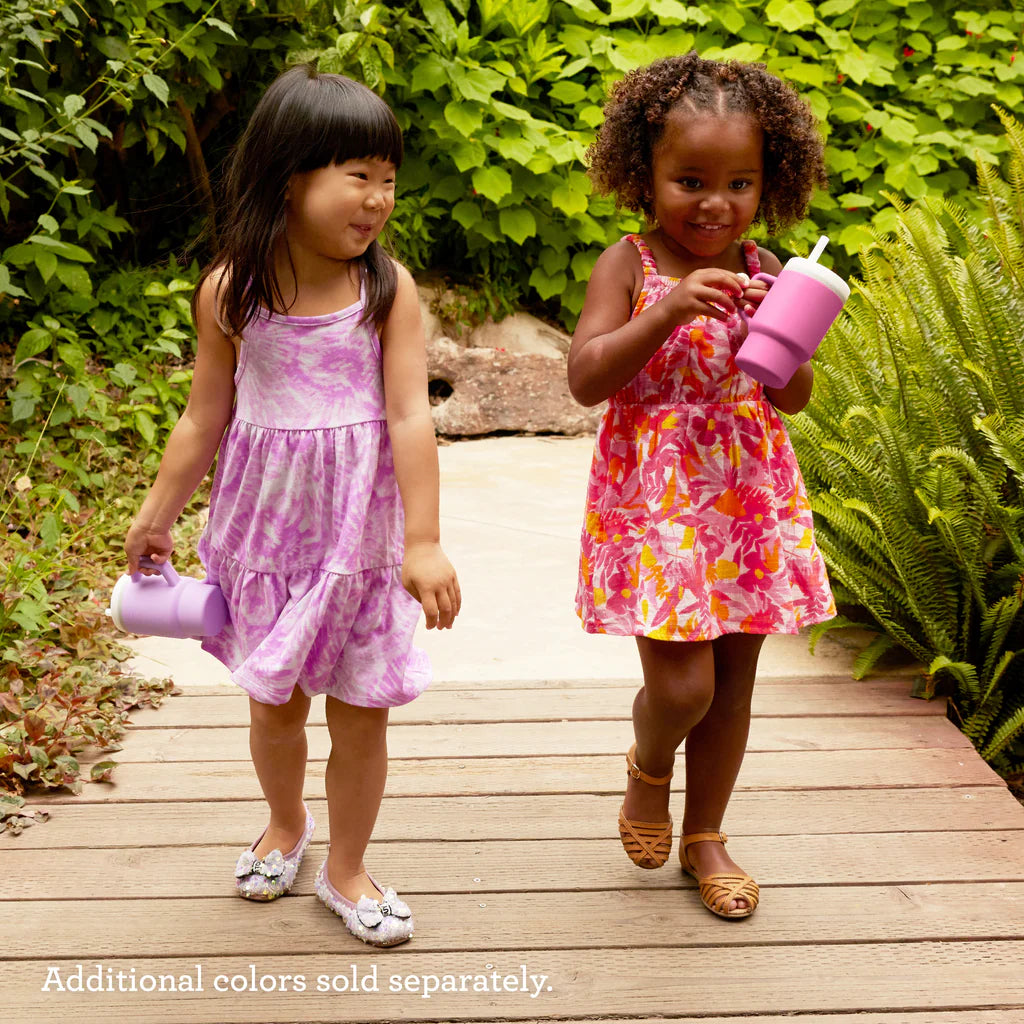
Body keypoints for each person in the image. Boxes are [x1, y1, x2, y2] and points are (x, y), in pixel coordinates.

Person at [125, 65, 460, 946]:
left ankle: (346, 869)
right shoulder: (232, 291)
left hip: (361, 545)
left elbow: (408, 416)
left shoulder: (385, 293)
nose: (378, 199)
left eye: (389, 179)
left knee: (361, 711)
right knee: (273, 707)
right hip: (264, 540)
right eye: (358, 176)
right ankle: (286, 824)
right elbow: (205, 415)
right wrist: (158, 512)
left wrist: (422, 542)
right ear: (288, 176)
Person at [568, 52, 835, 919]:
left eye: (739, 183)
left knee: (734, 685)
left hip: (746, 498)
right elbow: (586, 376)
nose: (715, 204)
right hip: (658, 507)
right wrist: (669, 309)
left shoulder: (768, 268)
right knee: (685, 688)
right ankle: (649, 770)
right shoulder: (629, 264)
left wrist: (778, 333)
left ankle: (707, 835)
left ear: (770, 185)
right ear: (642, 176)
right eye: (689, 180)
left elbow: (790, 397)